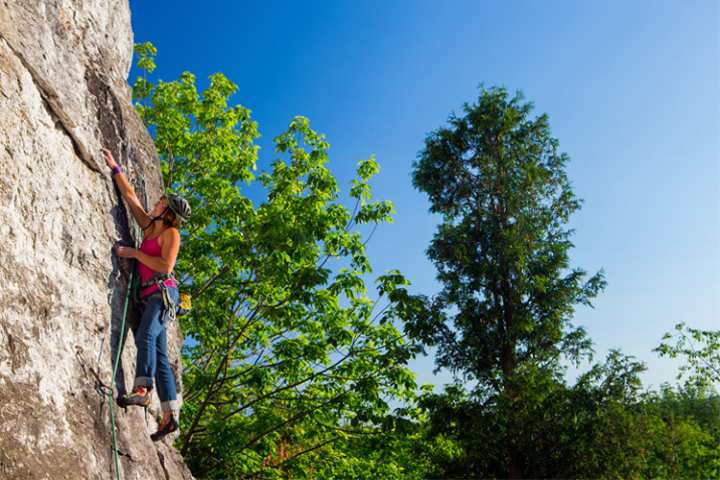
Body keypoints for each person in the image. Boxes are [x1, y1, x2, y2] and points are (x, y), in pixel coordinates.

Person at [102, 147, 191, 441]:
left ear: (168, 212)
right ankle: (169, 415)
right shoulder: (151, 226)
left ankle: (142, 389)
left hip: (162, 296)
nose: (155, 202)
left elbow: (166, 266)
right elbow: (131, 198)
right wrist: (116, 168)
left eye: (161, 202)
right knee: (161, 357)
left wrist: (135, 254)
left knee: (145, 336)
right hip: (151, 295)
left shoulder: (170, 234)